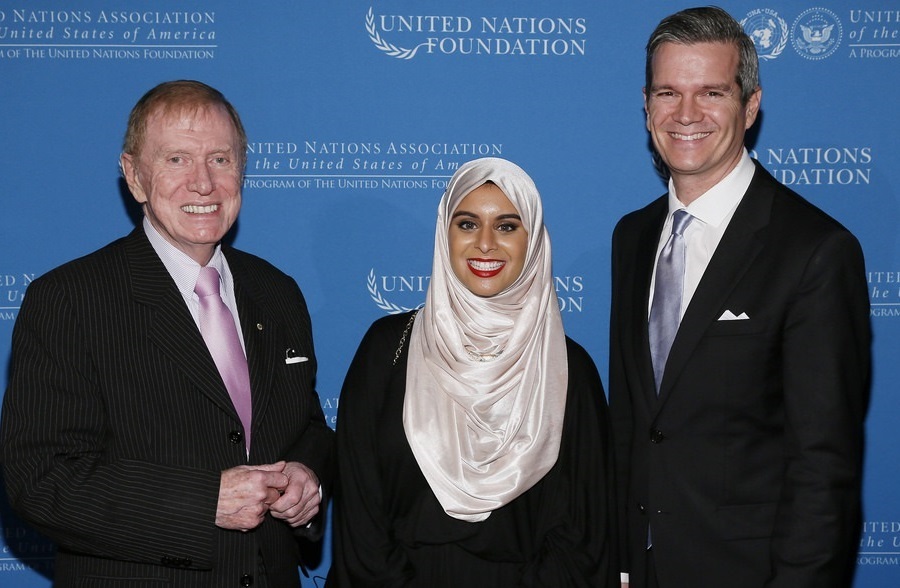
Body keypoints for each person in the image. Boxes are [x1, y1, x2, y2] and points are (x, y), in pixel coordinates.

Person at [0, 80, 334, 587]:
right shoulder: (69, 299)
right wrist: (204, 503)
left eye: (220, 159)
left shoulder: (276, 292)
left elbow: (305, 427)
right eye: (177, 159)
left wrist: (307, 480)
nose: (203, 183)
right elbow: (42, 479)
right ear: (134, 176)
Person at [609, 7, 870, 588]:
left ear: (751, 106)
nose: (686, 114)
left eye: (711, 93)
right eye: (667, 92)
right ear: (647, 105)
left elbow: (824, 466)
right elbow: (633, 421)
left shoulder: (815, 250)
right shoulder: (631, 237)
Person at [327, 157, 617, 587]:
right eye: (466, 224)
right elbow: (359, 514)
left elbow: (586, 535)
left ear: (533, 240)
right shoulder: (387, 348)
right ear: (445, 235)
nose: (485, 243)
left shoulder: (571, 370)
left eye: (506, 226)